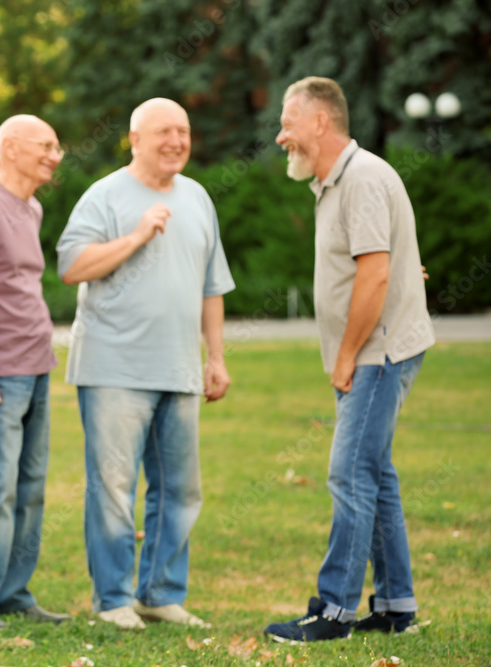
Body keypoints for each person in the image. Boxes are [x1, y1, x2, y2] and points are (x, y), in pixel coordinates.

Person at [263, 76, 433, 642]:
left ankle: (333, 611)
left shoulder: (360, 178)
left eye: (288, 122)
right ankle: (395, 606)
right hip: (376, 352)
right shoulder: (340, 181)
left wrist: (346, 358)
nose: (281, 135)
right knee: (376, 476)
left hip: (376, 355)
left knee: (349, 474)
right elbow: (388, 262)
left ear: (320, 121)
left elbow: (376, 272)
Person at [56, 98, 234, 630]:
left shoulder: (198, 197)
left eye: (182, 131)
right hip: (114, 369)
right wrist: (135, 236)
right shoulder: (105, 195)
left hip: (178, 370)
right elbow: (71, 266)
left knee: (179, 489)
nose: (176, 141)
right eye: (163, 132)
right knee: (112, 489)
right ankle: (112, 599)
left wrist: (216, 357)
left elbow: (211, 286)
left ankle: (160, 593)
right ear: (135, 139)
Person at [0, 115, 71, 631]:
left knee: (31, 487)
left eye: (56, 146)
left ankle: (13, 594)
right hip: (1, 371)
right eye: (45, 146)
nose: (55, 154)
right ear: (12, 148)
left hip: (38, 365)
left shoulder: (33, 206)